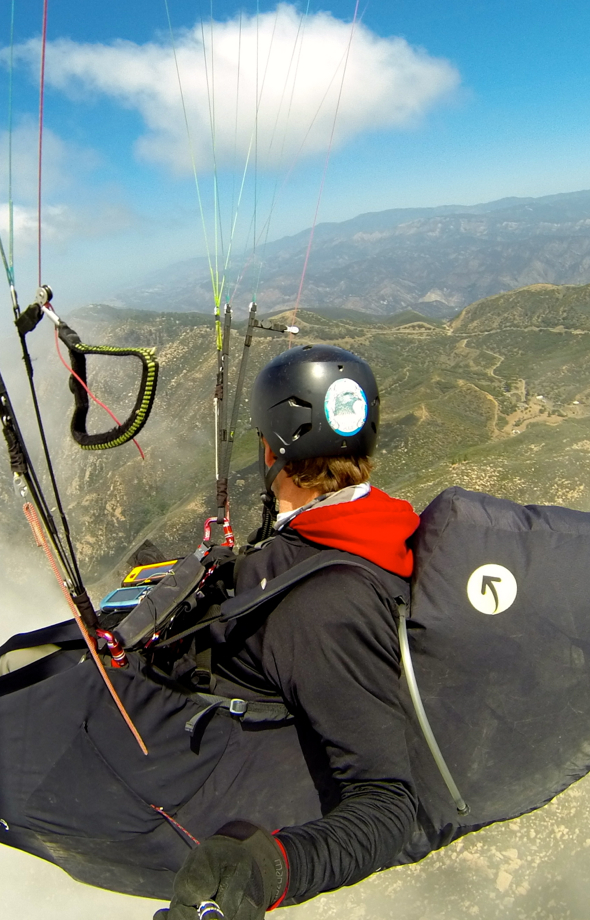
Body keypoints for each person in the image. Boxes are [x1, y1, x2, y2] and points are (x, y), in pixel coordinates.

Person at [156, 344, 423, 919]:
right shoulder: (372, 526)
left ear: (271, 449)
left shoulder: (321, 605)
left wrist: (264, 869)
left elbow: (387, 804)